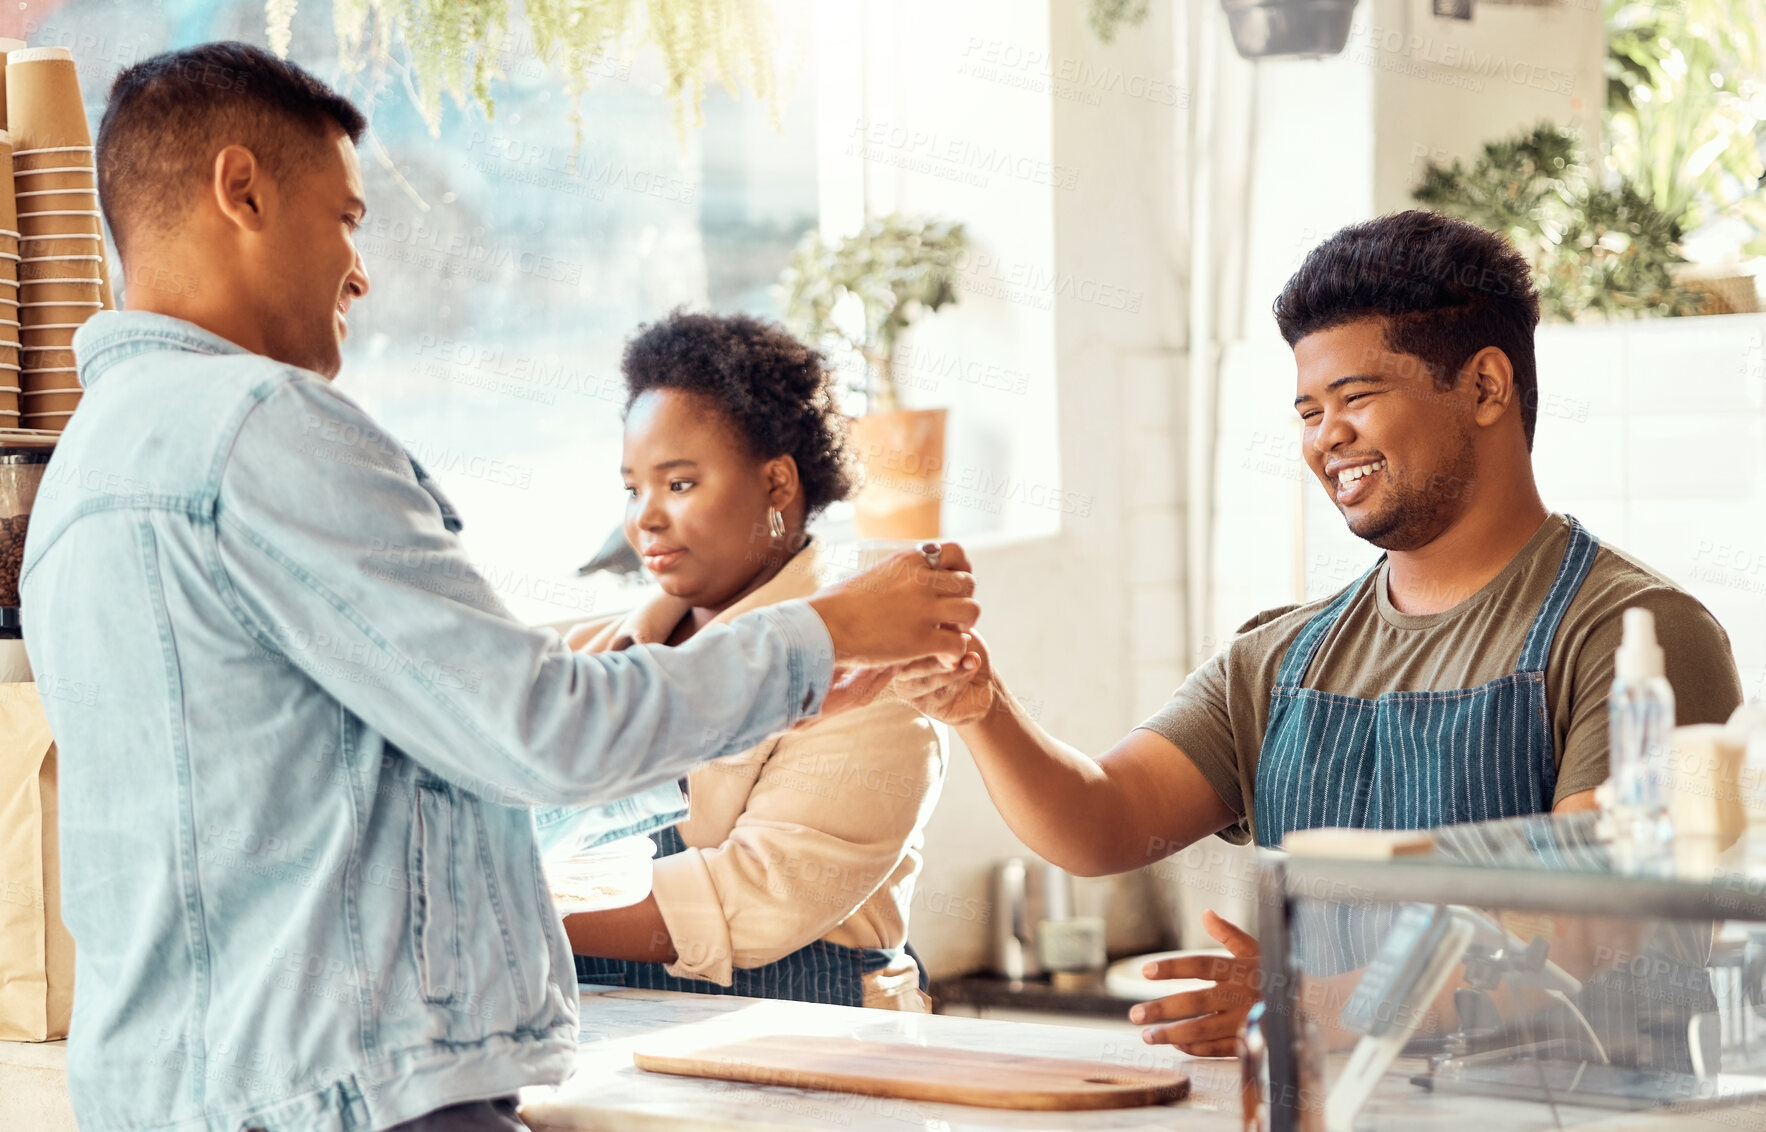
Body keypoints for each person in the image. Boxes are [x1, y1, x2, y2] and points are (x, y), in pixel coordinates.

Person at [23, 43, 979, 1132]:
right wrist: (821, 637)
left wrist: (793, 684)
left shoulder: (83, 476)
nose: (361, 270)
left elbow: (404, 784)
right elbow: (537, 731)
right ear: (241, 190)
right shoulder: (263, 429)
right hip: (349, 1100)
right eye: (345, 218)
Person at [895, 210, 1743, 1058]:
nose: (1325, 436)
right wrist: (982, 707)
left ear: (1487, 387)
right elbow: (1101, 822)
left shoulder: (1634, 635)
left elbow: (1591, 921)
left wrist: (1317, 1006)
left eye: (1356, 398)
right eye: (1308, 410)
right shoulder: (1281, 659)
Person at [559, 311, 944, 1010]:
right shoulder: (590, 660)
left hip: (823, 1064)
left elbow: (750, 906)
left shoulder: (877, 682)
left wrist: (491, 913)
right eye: (632, 488)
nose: (645, 517)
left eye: (677, 485)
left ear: (776, 484)